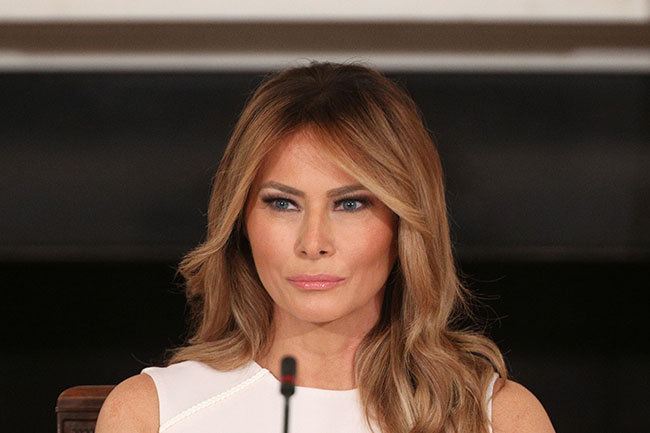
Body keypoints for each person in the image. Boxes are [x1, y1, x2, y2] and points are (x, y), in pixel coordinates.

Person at [96, 61, 555, 433]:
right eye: (283, 203)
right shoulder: (150, 414)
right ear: (241, 223)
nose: (313, 243)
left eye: (350, 203)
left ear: (404, 225)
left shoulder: (500, 418)